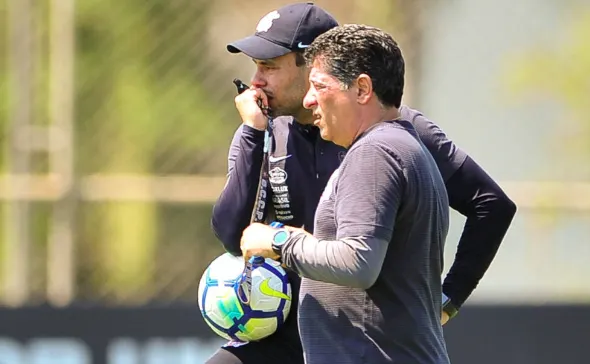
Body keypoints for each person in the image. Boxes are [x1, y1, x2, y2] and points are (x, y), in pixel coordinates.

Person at [208, 3, 516, 364]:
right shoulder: (264, 130)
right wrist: (252, 133)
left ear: (314, 63)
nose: (256, 80)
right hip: (292, 331)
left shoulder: (388, 137)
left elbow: (491, 205)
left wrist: (449, 299)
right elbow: (233, 236)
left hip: (368, 338)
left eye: (269, 66)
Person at [240, 23, 450, 363]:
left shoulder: (375, 153)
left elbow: (358, 262)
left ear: (363, 89)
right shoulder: (403, 146)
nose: (309, 100)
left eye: (319, 86)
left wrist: (278, 242)